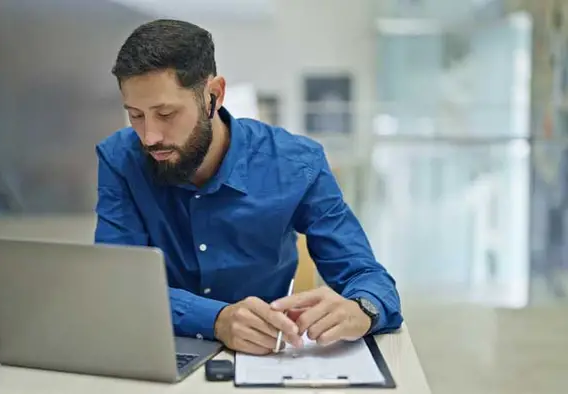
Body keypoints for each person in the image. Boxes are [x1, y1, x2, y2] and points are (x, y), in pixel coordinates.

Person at [95, 19, 403, 355]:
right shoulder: (120, 159)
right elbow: (117, 285)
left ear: (214, 95)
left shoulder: (297, 164)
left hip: (266, 358)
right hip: (155, 354)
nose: (149, 136)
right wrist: (215, 319)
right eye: (136, 115)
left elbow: (368, 277)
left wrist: (361, 309)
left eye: (166, 113)